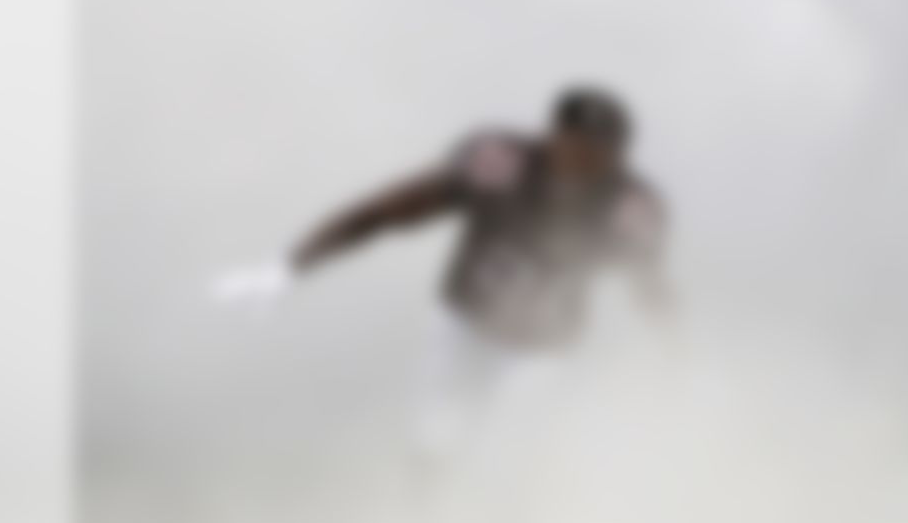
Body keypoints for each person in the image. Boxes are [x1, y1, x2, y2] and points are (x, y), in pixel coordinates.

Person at [211, 85, 675, 457]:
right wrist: (291, 266)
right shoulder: (501, 165)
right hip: (467, 324)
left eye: (605, 152)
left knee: (512, 457)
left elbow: (649, 285)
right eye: (580, 148)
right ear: (554, 137)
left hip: (546, 348)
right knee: (437, 439)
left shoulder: (630, 208)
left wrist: (671, 356)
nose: (589, 164)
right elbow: (385, 211)